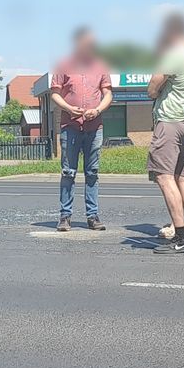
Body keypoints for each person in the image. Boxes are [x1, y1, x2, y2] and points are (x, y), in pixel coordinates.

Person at [146, 13, 184, 253]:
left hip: (169, 122)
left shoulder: (174, 55)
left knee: (164, 176)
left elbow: (152, 87)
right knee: (181, 177)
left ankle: (179, 236)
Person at [48, 26, 113, 231]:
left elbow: (108, 93)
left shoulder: (101, 65)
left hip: (94, 126)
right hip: (71, 126)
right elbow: (55, 93)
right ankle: (65, 216)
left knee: (92, 172)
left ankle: (92, 216)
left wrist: (98, 109)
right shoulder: (64, 65)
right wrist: (69, 108)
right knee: (68, 172)